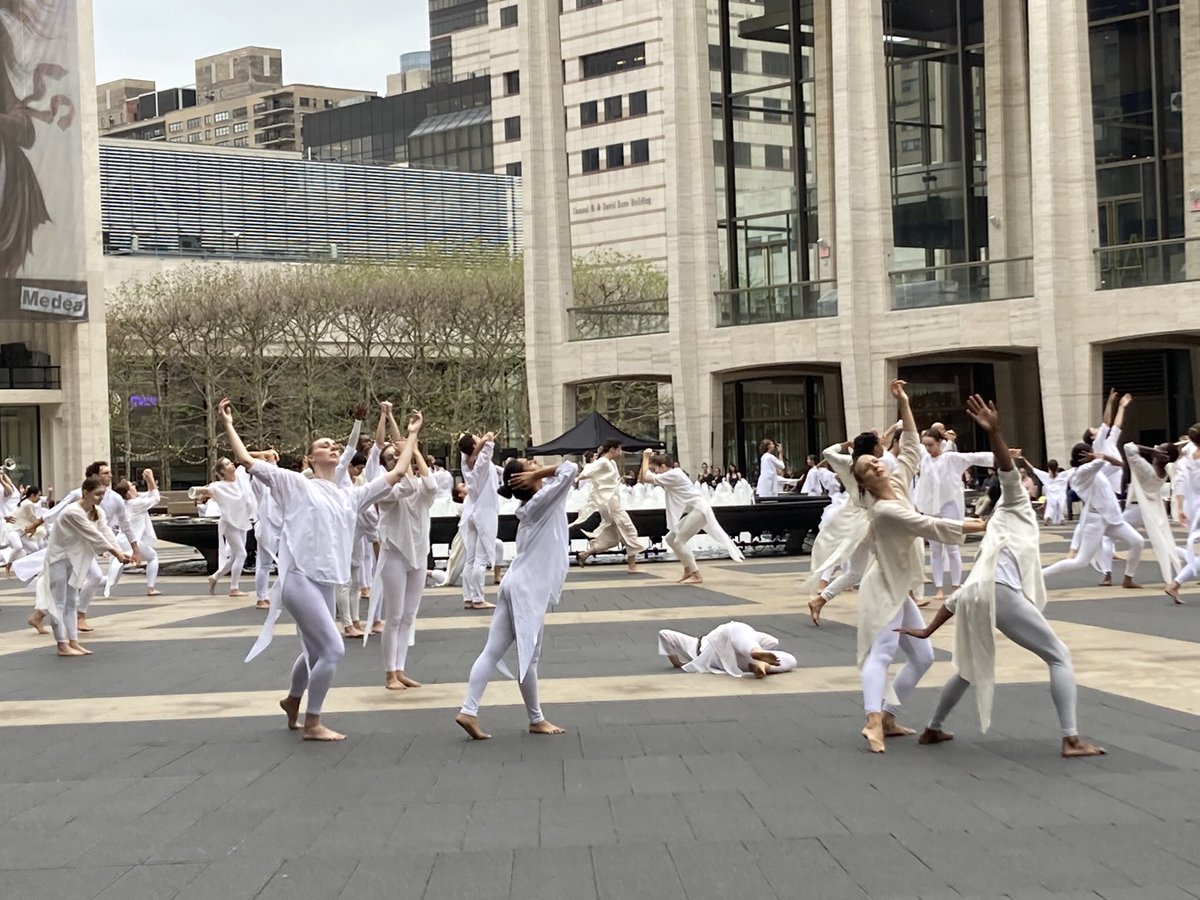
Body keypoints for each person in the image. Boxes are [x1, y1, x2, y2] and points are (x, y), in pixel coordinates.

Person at [896, 395, 1106, 758]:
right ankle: (1071, 738)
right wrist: (995, 433)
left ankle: (932, 728)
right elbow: (1007, 470)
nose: (1028, 484)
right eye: (1025, 482)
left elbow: (959, 597)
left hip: (977, 593)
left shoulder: (997, 529)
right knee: (1059, 657)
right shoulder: (1016, 504)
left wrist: (929, 630)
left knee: (968, 668)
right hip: (1001, 593)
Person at [226, 398, 425, 742]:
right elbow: (246, 461)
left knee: (315, 651)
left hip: (325, 582)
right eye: (324, 445)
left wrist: (411, 436)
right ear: (310, 458)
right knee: (333, 650)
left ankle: (292, 700)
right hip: (298, 577)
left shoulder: (350, 495)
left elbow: (395, 474)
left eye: (334, 444)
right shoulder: (295, 483)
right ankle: (313, 722)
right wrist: (228, 424)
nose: (332, 447)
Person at [851, 380, 986, 753]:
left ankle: (889, 714)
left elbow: (910, 446)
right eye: (867, 466)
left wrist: (905, 403)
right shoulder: (885, 509)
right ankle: (873, 720)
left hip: (898, 585)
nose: (877, 462)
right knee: (881, 652)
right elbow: (930, 527)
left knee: (923, 655)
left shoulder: (896, 482)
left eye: (875, 459)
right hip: (882, 589)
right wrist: (977, 525)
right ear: (863, 481)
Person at [455, 457, 578, 741]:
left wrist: (534, 473)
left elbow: (564, 473)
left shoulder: (535, 502)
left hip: (515, 582)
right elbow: (570, 468)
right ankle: (536, 719)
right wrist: (539, 471)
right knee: (529, 657)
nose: (536, 465)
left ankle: (468, 710)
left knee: (492, 650)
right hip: (527, 589)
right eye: (530, 465)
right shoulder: (543, 500)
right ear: (526, 478)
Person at [365, 403, 435, 691]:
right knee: (393, 616)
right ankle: (389, 673)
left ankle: (402, 668)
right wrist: (405, 442)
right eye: (392, 456)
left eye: (399, 454)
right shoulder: (384, 488)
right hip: (394, 552)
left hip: (418, 554)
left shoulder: (421, 487)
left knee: (409, 615)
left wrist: (413, 441)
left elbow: (429, 486)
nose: (397, 455)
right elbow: (403, 485)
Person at [29, 475, 131, 657]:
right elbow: (93, 534)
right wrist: (117, 553)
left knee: (71, 602)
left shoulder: (97, 511)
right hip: (58, 559)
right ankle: (62, 644)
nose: (101, 497)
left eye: (103, 494)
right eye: (98, 494)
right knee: (58, 602)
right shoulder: (72, 512)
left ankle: (73, 642)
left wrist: (119, 550)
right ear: (86, 493)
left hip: (74, 559)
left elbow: (105, 531)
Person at [1041, 443, 1144, 590]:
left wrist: (1101, 456)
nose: (1094, 453)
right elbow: (1098, 462)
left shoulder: (1097, 471)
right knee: (1080, 562)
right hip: (1094, 521)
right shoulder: (1079, 474)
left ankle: (1128, 579)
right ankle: (1038, 575)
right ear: (1084, 456)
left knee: (1138, 541)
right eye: (1090, 452)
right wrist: (1097, 457)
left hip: (1111, 518)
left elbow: (1119, 464)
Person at [913, 427, 994, 602]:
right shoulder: (925, 458)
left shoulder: (951, 458)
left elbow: (975, 457)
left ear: (940, 443)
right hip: (930, 507)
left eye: (931, 445)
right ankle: (939, 588)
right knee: (935, 548)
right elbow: (910, 441)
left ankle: (956, 586)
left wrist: (1004, 455)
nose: (928, 448)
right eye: (925, 445)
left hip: (948, 505)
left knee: (952, 546)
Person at [640, 449, 744, 584]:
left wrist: (645, 457)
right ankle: (688, 570)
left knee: (679, 541)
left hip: (699, 510)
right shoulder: (673, 474)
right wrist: (646, 460)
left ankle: (696, 574)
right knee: (670, 538)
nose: (655, 473)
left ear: (663, 467)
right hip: (697, 510)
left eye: (655, 469)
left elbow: (645, 477)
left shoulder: (673, 474)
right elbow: (642, 478)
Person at [575, 440, 648, 574]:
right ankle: (632, 566)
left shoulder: (611, 463)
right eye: (619, 449)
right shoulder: (603, 461)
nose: (620, 452)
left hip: (610, 503)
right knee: (629, 531)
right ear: (612, 449)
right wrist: (576, 479)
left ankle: (584, 554)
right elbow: (589, 470)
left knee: (612, 538)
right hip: (610, 505)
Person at [196, 457, 257, 598]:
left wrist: (264, 453)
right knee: (241, 554)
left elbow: (246, 458)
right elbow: (195, 492)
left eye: (231, 462)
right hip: (230, 523)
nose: (232, 465)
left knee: (235, 556)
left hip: (242, 520)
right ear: (223, 471)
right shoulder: (218, 486)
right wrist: (203, 491)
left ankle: (215, 577)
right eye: (228, 464)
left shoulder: (240, 477)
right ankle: (234, 588)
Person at [658, 621, 797, 677]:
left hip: (730, 663)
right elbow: (773, 642)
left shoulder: (691, 646)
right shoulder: (693, 642)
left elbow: (664, 634)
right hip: (717, 649)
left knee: (791, 660)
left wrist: (676, 662)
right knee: (736, 627)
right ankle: (757, 654)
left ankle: (761, 664)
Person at [458, 430, 500, 610]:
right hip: (485, 513)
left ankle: (468, 597)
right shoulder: (481, 462)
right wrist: (485, 438)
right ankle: (478, 597)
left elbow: (477, 448)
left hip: (472, 512)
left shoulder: (466, 465)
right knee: (480, 560)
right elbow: (489, 441)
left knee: (471, 559)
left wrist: (478, 442)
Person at [116, 469, 162, 596]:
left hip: (122, 540)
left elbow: (148, 494)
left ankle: (92, 583)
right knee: (153, 557)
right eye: (132, 486)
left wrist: (148, 481)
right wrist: (151, 479)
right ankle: (151, 588)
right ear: (128, 492)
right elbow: (155, 498)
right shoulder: (135, 503)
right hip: (131, 541)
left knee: (112, 576)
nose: (135, 487)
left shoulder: (128, 502)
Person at [1030, 459, 1072, 525]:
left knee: (1051, 506)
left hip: (1051, 495)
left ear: (1049, 467)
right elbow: (1072, 470)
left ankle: (1051, 518)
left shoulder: (1046, 476)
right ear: (1057, 467)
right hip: (1060, 494)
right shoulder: (1062, 475)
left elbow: (1034, 469)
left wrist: (1024, 459)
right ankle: (1060, 519)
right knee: (1059, 506)